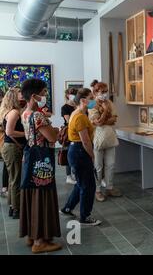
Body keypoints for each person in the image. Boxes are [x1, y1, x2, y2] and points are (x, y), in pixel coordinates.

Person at [20, 79, 62, 253]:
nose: (45, 96)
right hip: (42, 159)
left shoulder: (25, 113)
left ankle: (32, 234)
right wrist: (57, 131)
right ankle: (40, 242)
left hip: (30, 156)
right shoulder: (38, 116)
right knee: (41, 195)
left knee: (31, 193)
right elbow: (51, 138)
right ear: (33, 95)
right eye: (43, 93)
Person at [60, 88, 102, 226]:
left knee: (81, 183)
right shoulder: (79, 116)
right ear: (83, 100)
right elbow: (85, 140)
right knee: (88, 186)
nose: (93, 100)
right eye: (91, 97)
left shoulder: (77, 113)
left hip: (77, 150)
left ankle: (68, 208)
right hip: (80, 151)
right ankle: (85, 216)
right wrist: (92, 155)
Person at [88, 80, 121, 202]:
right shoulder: (91, 104)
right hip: (97, 138)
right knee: (98, 166)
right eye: (102, 92)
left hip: (110, 137)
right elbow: (97, 122)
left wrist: (103, 120)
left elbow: (114, 119)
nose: (105, 94)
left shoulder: (109, 102)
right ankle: (97, 190)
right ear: (95, 92)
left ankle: (109, 187)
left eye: (106, 91)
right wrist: (106, 112)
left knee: (111, 165)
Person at [0, 88, 26, 219]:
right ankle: (17, 209)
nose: (22, 95)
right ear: (14, 97)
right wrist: (26, 134)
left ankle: (12, 206)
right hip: (12, 147)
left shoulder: (10, 111)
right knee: (16, 179)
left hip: (9, 147)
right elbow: (9, 132)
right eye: (20, 94)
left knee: (12, 178)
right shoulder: (14, 112)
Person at [61, 88, 77, 185]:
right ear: (67, 95)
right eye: (71, 94)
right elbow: (68, 121)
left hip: (79, 131)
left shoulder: (78, 106)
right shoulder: (65, 107)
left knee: (76, 154)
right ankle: (68, 176)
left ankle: (75, 173)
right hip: (69, 132)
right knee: (68, 153)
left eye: (75, 93)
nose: (73, 95)